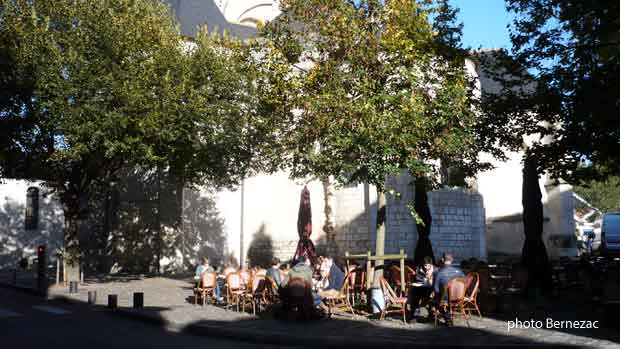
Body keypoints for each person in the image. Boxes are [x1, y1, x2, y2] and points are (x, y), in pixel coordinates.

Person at [432, 253, 465, 323]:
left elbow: (436, 289)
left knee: (434, 300)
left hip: (445, 299)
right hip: (459, 297)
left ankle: (447, 316)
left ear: (442, 260)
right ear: (452, 260)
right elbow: (465, 284)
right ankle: (448, 315)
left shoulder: (439, 273)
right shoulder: (460, 271)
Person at [408, 256, 435, 321]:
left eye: (429, 266)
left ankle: (430, 314)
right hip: (421, 288)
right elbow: (417, 278)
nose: (427, 267)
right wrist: (423, 278)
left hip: (432, 289)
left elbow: (436, 282)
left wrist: (430, 278)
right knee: (414, 294)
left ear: (431, 265)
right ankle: (414, 314)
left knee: (425, 295)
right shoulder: (419, 269)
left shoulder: (435, 270)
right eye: (425, 265)